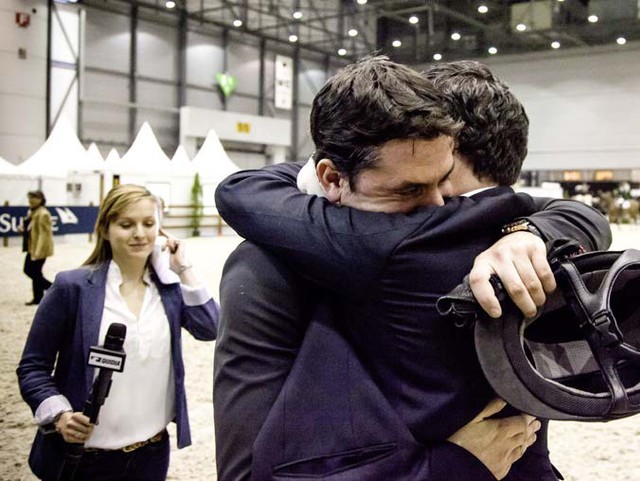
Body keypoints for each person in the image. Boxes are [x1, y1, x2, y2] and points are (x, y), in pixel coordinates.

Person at [214, 56, 610, 480]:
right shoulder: (267, 269)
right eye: (412, 189)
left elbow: (567, 213)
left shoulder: (509, 239)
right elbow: (246, 472)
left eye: (444, 184)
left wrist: (528, 232)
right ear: (331, 179)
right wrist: (450, 467)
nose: (444, 212)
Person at [17, 184, 219, 481]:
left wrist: (183, 267)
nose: (139, 233)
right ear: (105, 229)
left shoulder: (170, 291)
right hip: (86, 459)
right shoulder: (71, 288)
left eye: (148, 224)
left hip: (151, 454)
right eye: (126, 224)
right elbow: (32, 367)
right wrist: (59, 416)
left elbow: (210, 328)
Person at [20, 190, 54, 305]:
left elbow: (44, 235)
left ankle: (53, 289)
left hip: (39, 249)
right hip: (32, 247)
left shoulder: (43, 213)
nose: (30, 200)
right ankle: (38, 297)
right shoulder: (33, 212)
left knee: (30, 270)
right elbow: (31, 230)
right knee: (35, 272)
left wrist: (38, 252)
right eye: (29, 197)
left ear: (40, 199)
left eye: (33, 198)